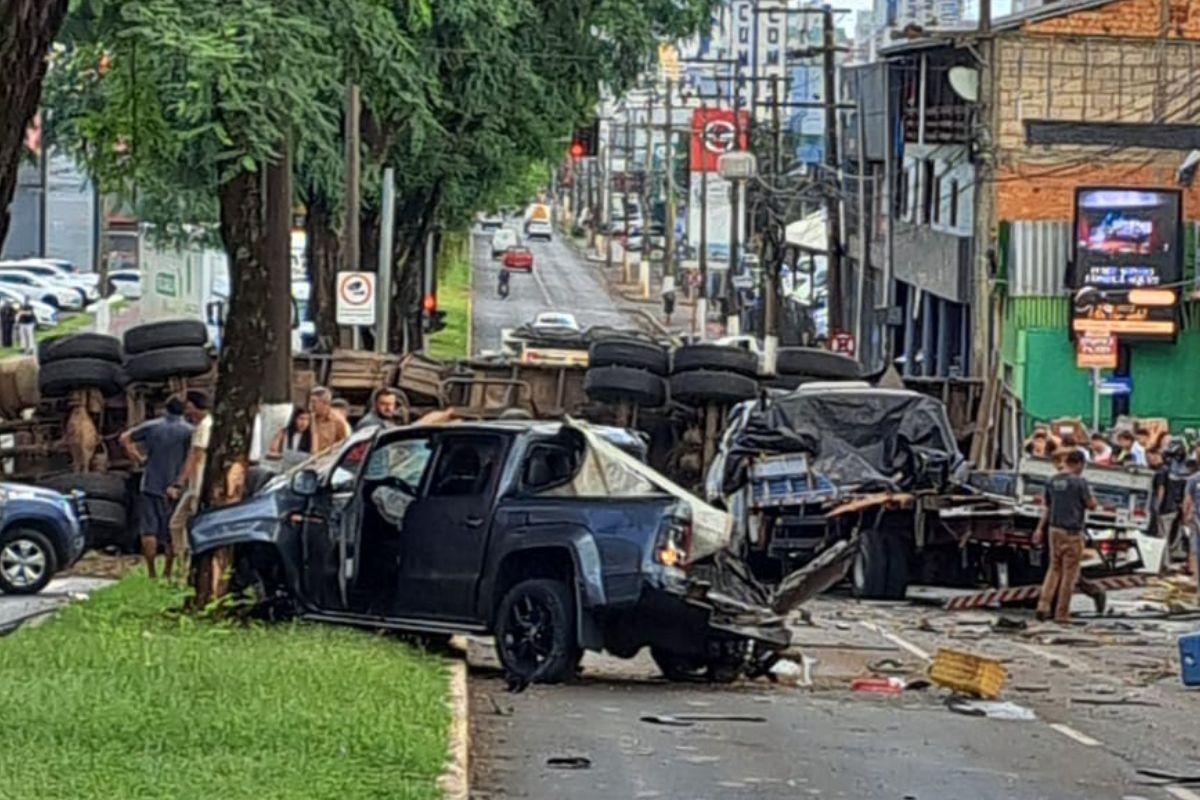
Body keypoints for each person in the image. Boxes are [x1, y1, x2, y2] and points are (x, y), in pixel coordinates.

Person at [120, 397, 194, 579]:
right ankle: (168, 571)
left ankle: (152, 572)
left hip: (150, 484)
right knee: (171, 530)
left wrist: (137, 457)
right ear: (183, 411)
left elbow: (124, 438)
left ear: (165, 409)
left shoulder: (152, 426)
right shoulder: (189, 431)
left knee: (149, 529)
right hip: (175, 487)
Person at [1034, 450, 1097, 623]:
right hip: (1072, 533)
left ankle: (1043, 605)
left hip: (1054, 530)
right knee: (1069, 575)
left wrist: (1039, 529)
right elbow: (1091, 505)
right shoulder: (1079, 482)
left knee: (1053, 569)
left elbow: (1046, 507)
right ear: (1079, 464)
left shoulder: (1051, 481)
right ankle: (1061, 614)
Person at [166, 391, 212, 561]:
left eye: (188, 407)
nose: (186, 412)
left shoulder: (204, 427)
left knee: (188, 524)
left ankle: (190, 561)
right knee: (176, 524)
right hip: (194, 485)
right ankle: (183, 561)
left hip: (198, 485)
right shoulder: (203, 425)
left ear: (194, 406)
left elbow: (195, 457)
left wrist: (179, 483)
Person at [309, 386, 350, 452]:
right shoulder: (310, 418)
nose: (311, 405)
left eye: (314, 402)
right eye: (311, 402)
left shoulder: (338, 421)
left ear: (325, 403)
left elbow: (344, 444)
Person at [1183, 463, 1200, 594]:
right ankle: (1196, 579)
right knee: (1195, 550)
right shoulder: (1193, 479)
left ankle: (1196, 579)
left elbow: (1187, 500)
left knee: (1195, 549)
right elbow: (1188, 500)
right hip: (1196, 520)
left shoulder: (1193, 479)